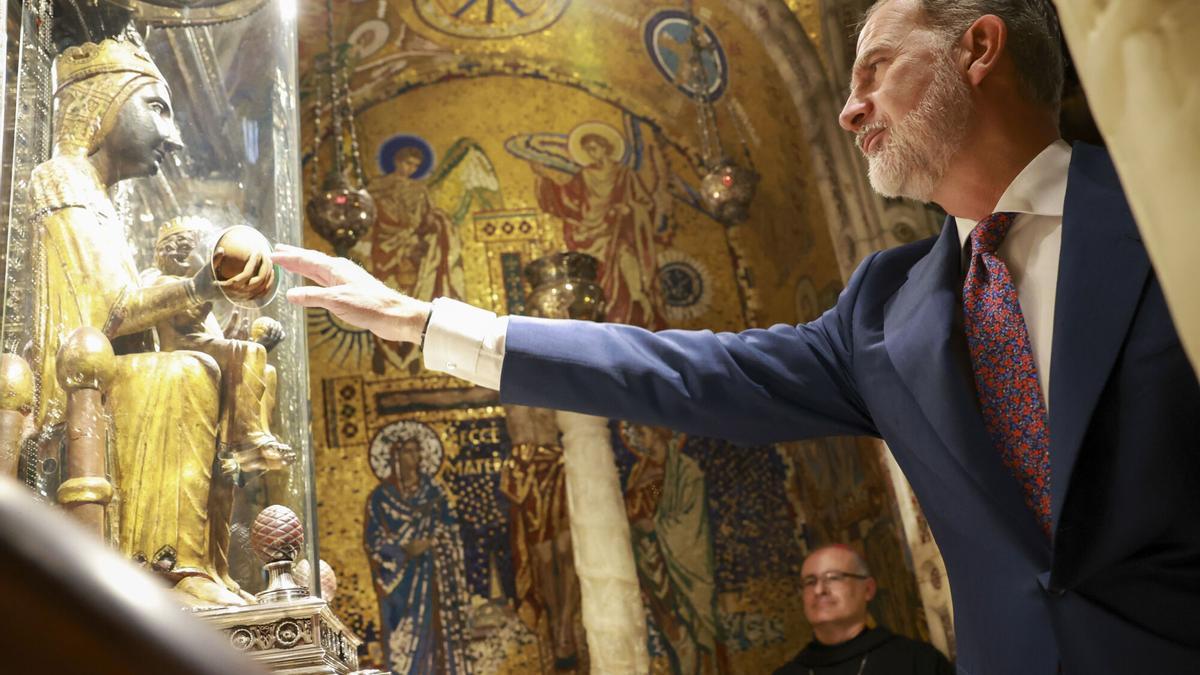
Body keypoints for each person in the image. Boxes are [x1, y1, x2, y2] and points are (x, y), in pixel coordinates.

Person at [273, 0, 1200, 672]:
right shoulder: (885, 310)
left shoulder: (1170, 213)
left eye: (875, 69)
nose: (850, 109)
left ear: (979, 48)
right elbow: (686, 371)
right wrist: (421, 319)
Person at [29, 38, 271, 607]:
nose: (174, 136)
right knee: (185, 373)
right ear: (103, 103)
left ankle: (210, 566)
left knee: (237, 365)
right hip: (75, 387)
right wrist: (201, 285)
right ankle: (165, 566)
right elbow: (108, 309)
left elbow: (131, 304)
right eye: (157, 108)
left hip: (105, 368)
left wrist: (212, 295)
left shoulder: (102, 197)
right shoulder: (62, 178)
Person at [363, 421, 471, 674]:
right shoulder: (380, 498)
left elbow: (450, 530)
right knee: (400, 642)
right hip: (398, 585)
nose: (416, 456)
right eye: (409, 451)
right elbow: (373, 542)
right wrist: (402, 550)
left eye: (418, 451)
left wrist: (433, 543)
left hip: (432, 577)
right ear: (396, 456)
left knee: (434, 636)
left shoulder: (434, 493)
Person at [774, 546, 952, 675]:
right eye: (810, 582)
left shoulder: (917, 661)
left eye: (833, 578)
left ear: (868, 589)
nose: (819, 590)